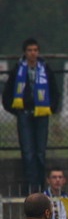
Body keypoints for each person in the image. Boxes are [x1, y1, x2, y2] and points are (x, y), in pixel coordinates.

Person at [2, 38, 60, 191]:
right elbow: (7, 93)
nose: (32, 53)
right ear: (24, 52)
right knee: (28, 153)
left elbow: (55, 91)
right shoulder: (17, 69)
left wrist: (51, 108)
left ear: (38, 52)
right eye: (29, 50)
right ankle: (30, 186)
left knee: (40, 152)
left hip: (42, 114)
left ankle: (41, 185)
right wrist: (17, 110)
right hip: (24, 114)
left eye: (35, 50)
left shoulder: (45, 69)